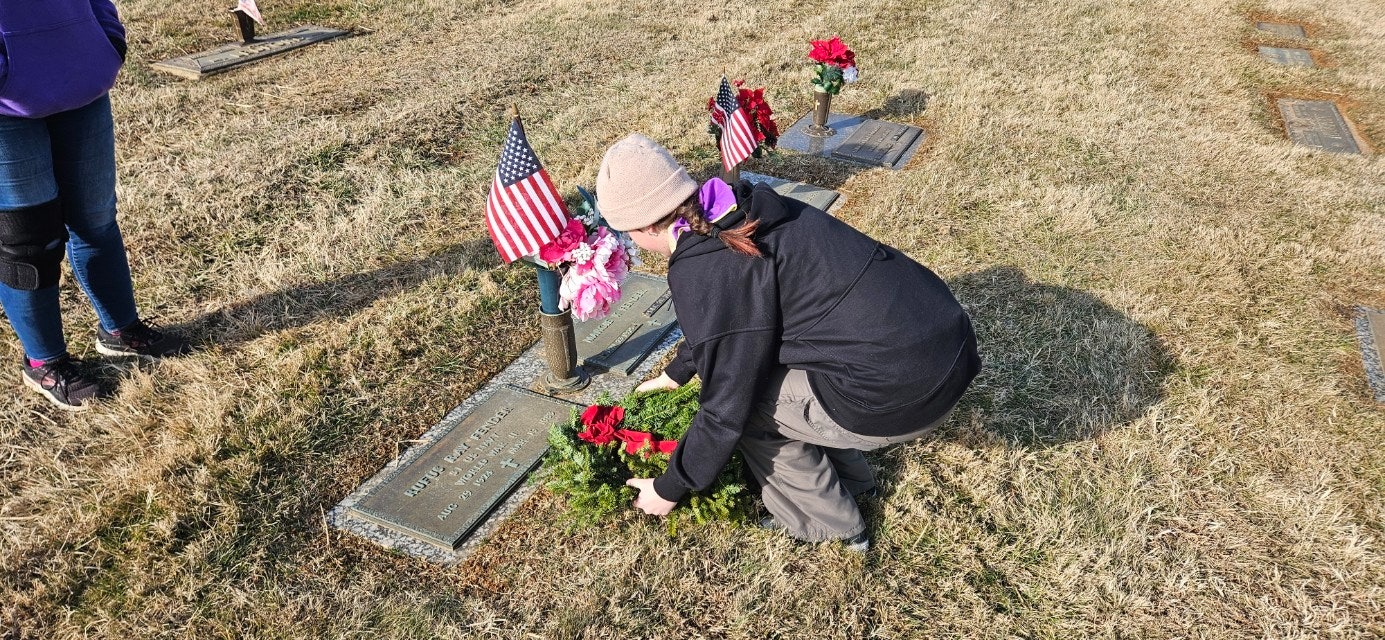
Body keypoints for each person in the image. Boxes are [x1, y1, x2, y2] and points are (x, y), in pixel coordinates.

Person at [596, 133, 980, 550]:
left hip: (905, 393)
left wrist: (670, 486)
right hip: (947, 346)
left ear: (650, 223)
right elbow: (738, 319)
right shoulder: (740, 209)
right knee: (767, 372)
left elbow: (727, 406)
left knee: (752, 405)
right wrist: (677, 372)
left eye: (628, 231)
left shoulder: (704, 267)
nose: (632, 241)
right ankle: (854, 481)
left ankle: (830, 525)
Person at [0, 1, 188, 411]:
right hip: (4, 111)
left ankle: (121, 331)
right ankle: (43, 361)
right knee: (30, 243)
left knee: (97, 219)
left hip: (82, 80)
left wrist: (107, 40)